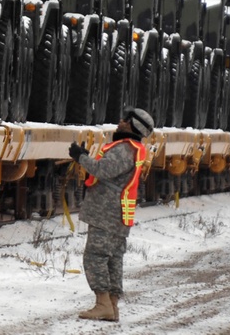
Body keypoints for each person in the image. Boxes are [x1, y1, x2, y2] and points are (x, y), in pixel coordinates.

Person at [68, 105, 154, 322]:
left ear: (133, 126)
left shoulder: (125, 149)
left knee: (96, 256)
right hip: (119, 212)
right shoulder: (132, 149)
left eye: (126, 119)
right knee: (114, 258)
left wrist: (80, 157)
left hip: (107, 211)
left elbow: (102, 170)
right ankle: (112, 306)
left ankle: (103, 304)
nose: (120, 121)